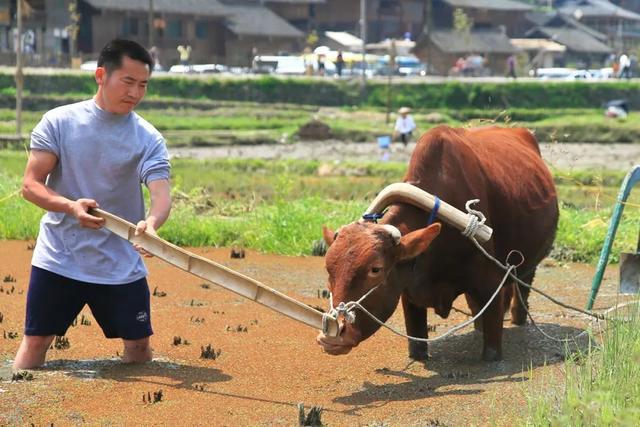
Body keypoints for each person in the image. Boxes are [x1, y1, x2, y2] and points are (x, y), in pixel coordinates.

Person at [13, 39, 171, 369]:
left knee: (140, 349)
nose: (135, 93)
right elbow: (30, 186)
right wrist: (70, 207)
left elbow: (160, 195)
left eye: (143, 85)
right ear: (101, 75)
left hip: (119, 262)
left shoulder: (148, 138)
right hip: (59, 257)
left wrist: (152, 225)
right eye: (128, 82)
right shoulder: (58, 122)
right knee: (36, 344)